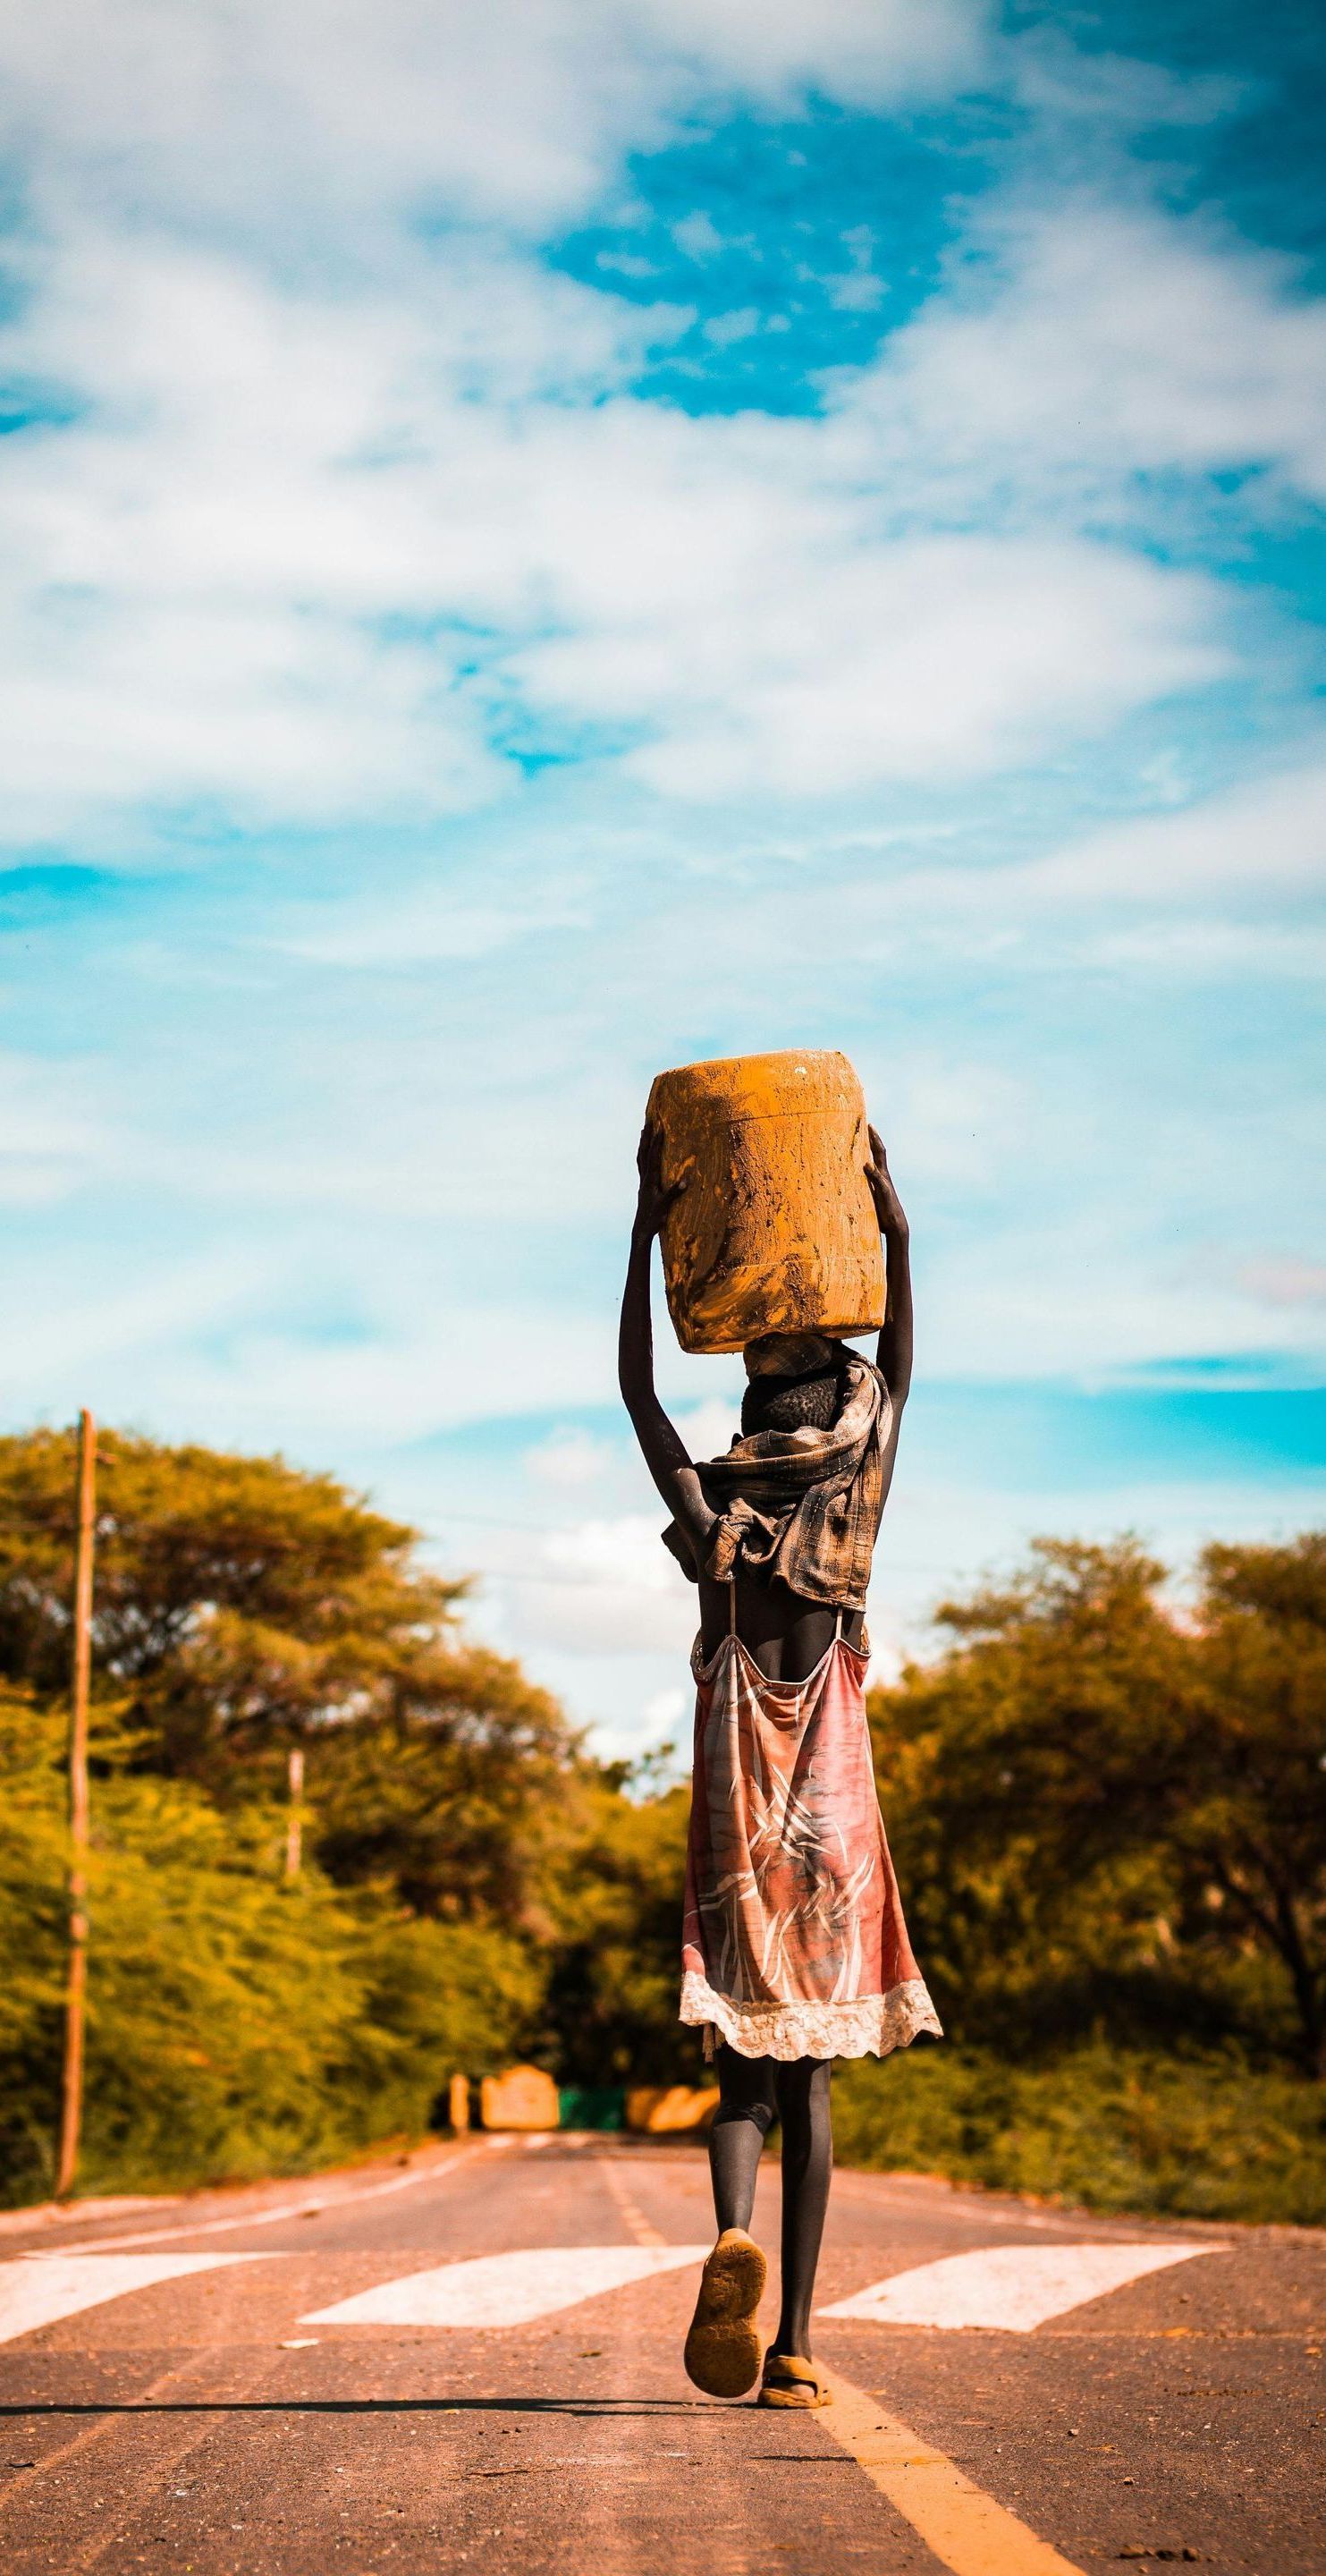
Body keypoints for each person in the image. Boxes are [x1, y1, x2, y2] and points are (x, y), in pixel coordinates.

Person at [618, 1119, 941, 2410]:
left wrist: (649, 1226)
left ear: (751, 1410)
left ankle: (728, 2234)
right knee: (809, 2079)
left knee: (739, 2069)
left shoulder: (715, 1512)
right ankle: (799, 2343)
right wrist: (894, 1226)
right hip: (832, 1796)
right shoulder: (855, 1487)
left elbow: (639, 1392)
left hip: (735, 1784)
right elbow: (903, 1366)